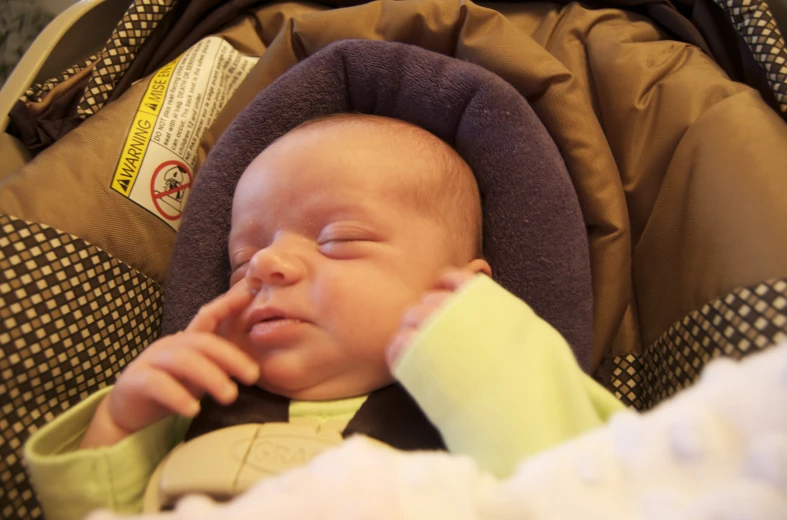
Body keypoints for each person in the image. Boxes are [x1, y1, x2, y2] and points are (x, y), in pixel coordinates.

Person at [25, 114, 623, 520]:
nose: (266, 264)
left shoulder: (516, 390)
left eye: (337, 239)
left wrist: (484, 351)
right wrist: (123, 425)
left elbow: (601, 495)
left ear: (467, 292)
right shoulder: (197, 410)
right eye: (240, 261)